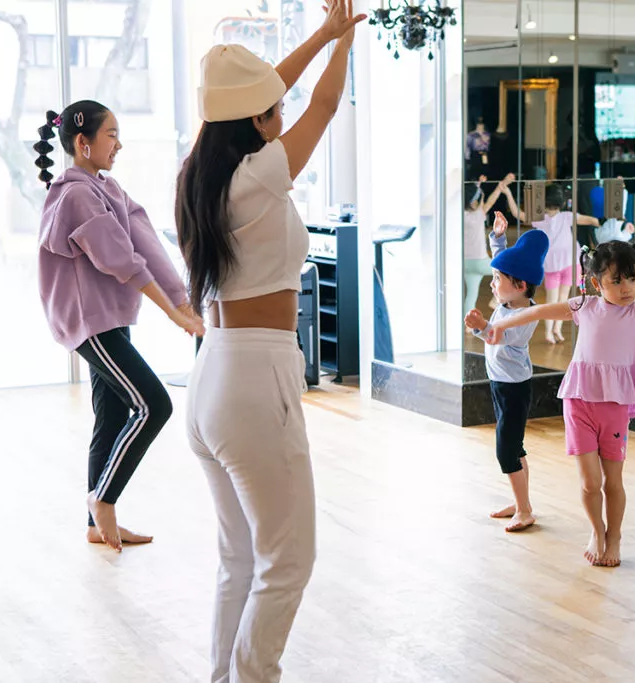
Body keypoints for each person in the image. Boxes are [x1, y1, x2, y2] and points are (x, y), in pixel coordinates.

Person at [175, 1, 364, 680]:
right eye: (271, 107)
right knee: (288, 560)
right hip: (256, 380)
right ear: (255, 120)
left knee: (240, 558)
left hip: (212, 379)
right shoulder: (260, 173)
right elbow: (326, 103)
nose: (281, 109)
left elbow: (261, 98)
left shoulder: (199, 176)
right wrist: (341, 46)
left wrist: (323, 32)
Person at [486, 239, 635, 566]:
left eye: (632, 279)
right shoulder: (583, 307)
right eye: (617, 280)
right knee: (589, 483)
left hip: (614, 408)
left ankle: (615, 536)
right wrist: (497, 326)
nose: (627, 288)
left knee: (613, 483)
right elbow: (537, 310)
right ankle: (597, 530)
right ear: (597, 284)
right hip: (578, 403)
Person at [35, 101, 205, 552]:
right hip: (89, 323)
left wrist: (182, 299)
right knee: (153, 405)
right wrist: (172, 313)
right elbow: (121, 260)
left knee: (111, 415)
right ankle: (103, 499)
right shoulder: (75, 196)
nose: (119, 144)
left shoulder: (108, 188)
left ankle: (95, 523)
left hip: (109, 317)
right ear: (82, 142)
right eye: (111, 135)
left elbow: (145, 243)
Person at [465, 211, 549, 533]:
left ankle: (525, 511)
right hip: (501, 384)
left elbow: (497, 335)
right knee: (515, 446)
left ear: (520, 285)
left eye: (498, 280)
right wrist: (497, 238)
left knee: (506, 450)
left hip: (514, 389)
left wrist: (480, 325)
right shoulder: (511, 298)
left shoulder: (525, 315)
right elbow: (502, 265)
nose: (493, 283)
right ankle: (520, 501)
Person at [501, 183, 604, 344]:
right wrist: (606, 223)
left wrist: (508, 193)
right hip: (568, 263)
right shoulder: (566, 216)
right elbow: (591, 220)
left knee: (553, 300)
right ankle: (554, 330)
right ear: (561, 202)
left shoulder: (541, 218)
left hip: (559, 265)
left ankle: (553, 331)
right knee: (563, 299)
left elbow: (517, 214)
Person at [463, 174, 508, 311]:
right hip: (479, 262)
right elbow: (490, 201)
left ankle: (467, 322)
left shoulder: (460, 215)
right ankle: (496, 299)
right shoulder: (478, 214)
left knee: (471, 296)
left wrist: (478, 184)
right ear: (474, 202)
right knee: (508, 270)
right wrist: (499, 188)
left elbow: (472, 196)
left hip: (465, 263)